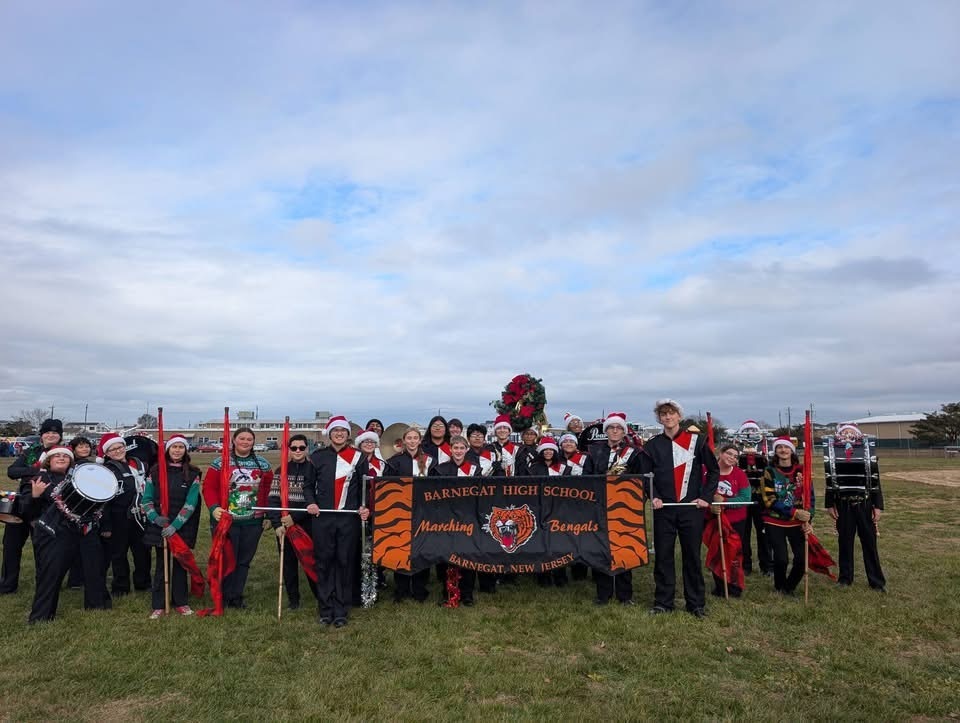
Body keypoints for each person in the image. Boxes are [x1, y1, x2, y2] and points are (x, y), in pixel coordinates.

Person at [642, 400, 719, 617]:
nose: (667, 417)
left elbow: (713, 471)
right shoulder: (652, 445)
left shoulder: (698, 441)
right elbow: (646, 477)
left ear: (679, 416)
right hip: (664, 509)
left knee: (692, 556)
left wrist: (705, 497)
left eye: (671, 413)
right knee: (664, 556)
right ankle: (663, 602)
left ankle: (695, 603)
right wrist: (654, 496)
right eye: (663, 414)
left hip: (690, 509)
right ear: (659, 419)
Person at [25, 446, 112, 623]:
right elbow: (26, 511)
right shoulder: (40, 478)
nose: (61, 458)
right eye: (56, 456)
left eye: (65, 456)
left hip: (85, 530)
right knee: (51, 573)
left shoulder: (81, 477)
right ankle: (42, 615)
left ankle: (97, 605)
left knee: (94, 567)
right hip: (55, 531)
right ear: (49, 460)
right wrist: (34, 496)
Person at [305, 416, 370, 627]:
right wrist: (311, 502)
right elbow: (308, 485)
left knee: (344, 562)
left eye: (343, 431)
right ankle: (325, 610)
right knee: (324, 563)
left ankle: (341, 610)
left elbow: (365, 487)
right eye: (336, 431)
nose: (339, 434)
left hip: (347, 519)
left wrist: (364, 506)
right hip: (322, 518)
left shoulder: (359, 457)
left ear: (348, 434)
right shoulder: (317, 456)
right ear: (329, 433)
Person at [202, 427, 273, 609]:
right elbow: (209, 488)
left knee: (243, 561)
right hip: (228, 520)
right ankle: (223, 595)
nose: (245, 442)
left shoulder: (263, 465)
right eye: (242, 438)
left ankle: (236, 595)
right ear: (234, 440)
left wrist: (268, 514)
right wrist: (214, 508)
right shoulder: (220, 462)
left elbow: (269, 491)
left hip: (253, 521)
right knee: (226, 558)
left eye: (249, 439)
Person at [141, 435, 202, 617]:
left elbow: (191, 503)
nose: (177, 450)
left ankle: (181, 601)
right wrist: (155, 517)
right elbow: (147, 499)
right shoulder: (155, 472)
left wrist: (175, 525)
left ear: (186, 450)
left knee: (180, 564)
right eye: (174, 447)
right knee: (161, 564)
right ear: (167, 449)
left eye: (180, 447)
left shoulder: (193, 474)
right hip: (160, 525)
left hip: (180, 527)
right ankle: (159, 603)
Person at [588, 412, 645, 605]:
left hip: (624, 506)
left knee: (625, 547)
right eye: (611, 427)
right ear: (606, 431)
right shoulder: (595, 450)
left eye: (618, 428)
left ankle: (625, 595)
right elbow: (587, 476)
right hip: (600, 504)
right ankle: (603, 593)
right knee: (601, 547)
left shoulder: (634, 452)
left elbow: (641, 479)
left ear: (623, 431)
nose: (614, 430)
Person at [1, 418, 63, 594]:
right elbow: (12, 471)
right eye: (47, 432)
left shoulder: (62, 453)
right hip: (23, 502)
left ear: (59, 436)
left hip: (45, 505)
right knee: (11, 545)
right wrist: (36, 470)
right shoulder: (31, 452)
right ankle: (7, 584)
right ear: (42, 435)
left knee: (42, 546)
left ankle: (43, 584)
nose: (51, 435)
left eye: (55, 432)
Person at [825, 424, 885, 592]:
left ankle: (876, 581)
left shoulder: (867, 456)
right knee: (845, 542)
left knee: (870, 543)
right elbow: (829, 480)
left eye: (852, 433)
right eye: (845, 433)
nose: (848, 435)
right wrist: (830, 504)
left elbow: (876, 482)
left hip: (864, 504)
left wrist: (877, 506)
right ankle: (845, 578)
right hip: (843, 504)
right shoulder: (834, 456)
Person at [267, 433, 319, 611]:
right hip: (284, 524)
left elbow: (314, 499)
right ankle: (293, 600)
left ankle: (320, 596)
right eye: (294, 448)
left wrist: (295, 517)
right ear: (288, 450)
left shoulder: (314, 470)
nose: (298, 451)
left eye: (302, 448)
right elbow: (273, 499)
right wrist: (276, 525)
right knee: (288, 563)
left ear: (307, 449)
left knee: (311, 560)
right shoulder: (280, 471)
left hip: (306, 523)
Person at [97, 432, 152, 596]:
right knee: (118, 553)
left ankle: (143, 582)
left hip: (140, 515)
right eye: (112, 450)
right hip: (117, 516)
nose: (117, 451)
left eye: (119, 447)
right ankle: (121, 586)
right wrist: (106, 524)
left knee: (143, 551)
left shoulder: (139, 464)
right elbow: (102, 501)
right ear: (107, 453)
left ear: (124, 446)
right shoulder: (105, 470)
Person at [384, 425, 434, 602]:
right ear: (404, 441)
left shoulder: (430, 460)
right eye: (409, 438)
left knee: (422, 550)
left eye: (415, 438)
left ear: (420, 440)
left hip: (424, 512)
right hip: (401, 513)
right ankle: (402, 589)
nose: (412, 441)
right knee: (401, 550)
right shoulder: (393, 461)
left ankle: (420, 589)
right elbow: (386, 489)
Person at [429, 435, 480, 606]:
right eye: (455, 448)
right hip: (447, 520)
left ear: (467, 450)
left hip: (468, 519)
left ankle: (467, 594)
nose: (458, 451)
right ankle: (448, 592)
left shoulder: (475, 470)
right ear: (450, 450)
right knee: (447, 557)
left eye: (461, 448)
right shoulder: (440, 469)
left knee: (468, 557)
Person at [761, 437, 813, 595]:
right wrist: (793, 512)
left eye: (786, 447)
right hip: (774, 520)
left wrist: (809, 518)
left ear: (792, 450)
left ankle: (788, 588)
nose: (783, 450)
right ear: (775, 451)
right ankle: (779, 586)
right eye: (779, 447)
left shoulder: (802, 470)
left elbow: (810, 497)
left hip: (797, 522)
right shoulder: (769, 471)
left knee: (802, 559)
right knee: (781, 559)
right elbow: (769, 500)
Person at [527, 437, 570, 588]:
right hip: (539, 508)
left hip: (558, 509)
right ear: (541, 451)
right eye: (545, 449)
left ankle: (560, 575)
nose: (548, 452)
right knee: (541, 542)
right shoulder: (533, 468)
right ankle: (543, 575)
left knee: (559, 543)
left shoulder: (564, 468)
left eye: (551, 449)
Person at [711, 444, 751, 598]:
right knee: (717, 551)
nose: (732, 458)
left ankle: (734, 585)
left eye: (735, 456)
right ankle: (720, 585)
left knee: (733, 553)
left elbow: (745, 498)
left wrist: (725, 501)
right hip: (715, 519)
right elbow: (701, 493)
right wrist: (711, 505)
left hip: (736, 520)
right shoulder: (709, 472)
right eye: (729, 454)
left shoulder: (740, 474)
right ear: (720, 453)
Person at [735, 420, 772, 576]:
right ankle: (745, 565)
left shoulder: (765, 450)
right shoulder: (736, 450)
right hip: (742, 497)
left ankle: (767, 565)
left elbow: (770, 470)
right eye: (747, 432)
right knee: (743, 532)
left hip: (761, 497)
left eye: (753, 431)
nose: (750, 435)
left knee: (764, 532)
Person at [559, 432, 592, 580]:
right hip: (560, 504)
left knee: (580, 536)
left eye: (571, 442)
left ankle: (580, 571)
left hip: (581, 502)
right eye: (565, 442)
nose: (568, 444)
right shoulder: (556, 459)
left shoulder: (586, 458)